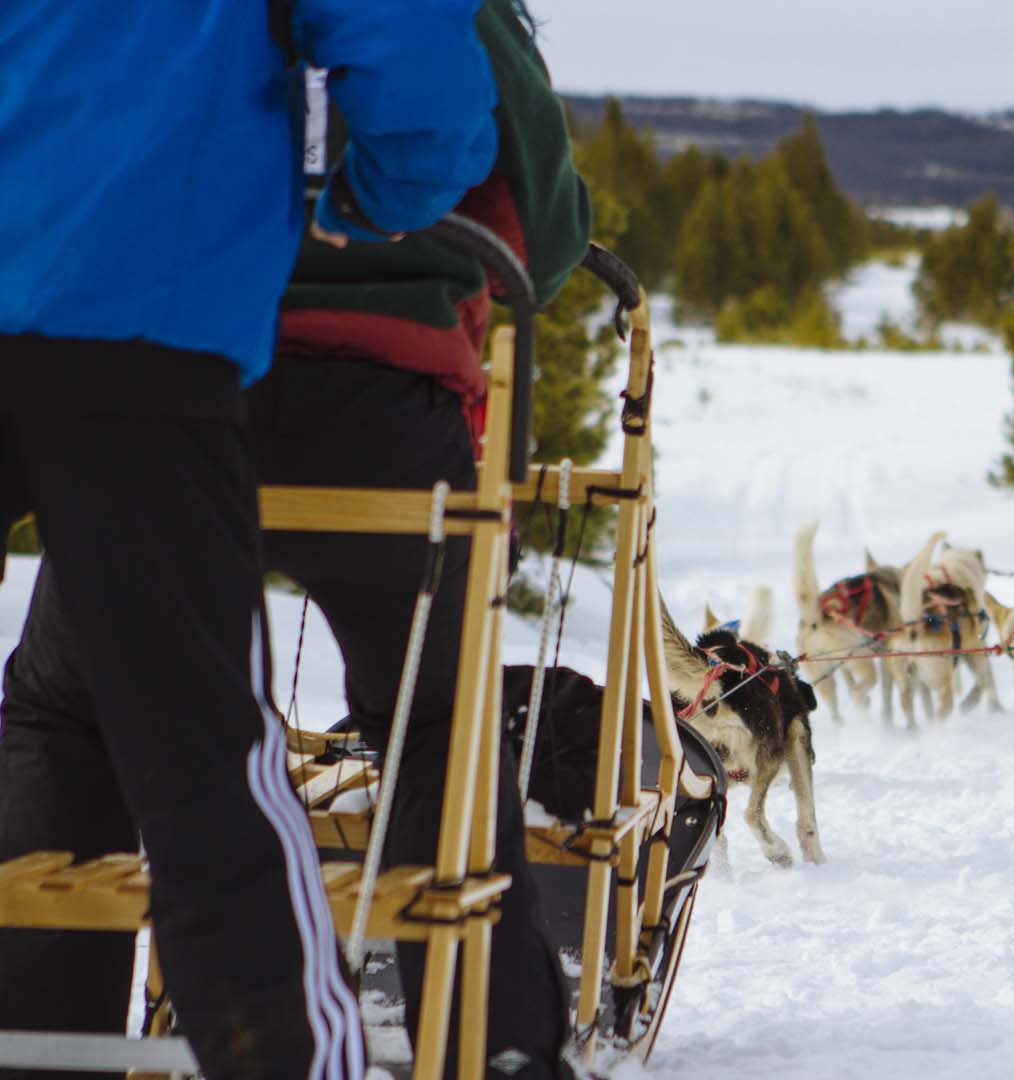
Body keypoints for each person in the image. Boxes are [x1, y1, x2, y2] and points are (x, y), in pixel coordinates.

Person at [2, 2, 591, 1077]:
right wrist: (378, 206)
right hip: (330, 395)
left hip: (106, 333)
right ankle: (491, 1039)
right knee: (436, 719)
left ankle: (48, 1040)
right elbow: (537, 243)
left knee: (69, 704)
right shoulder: (475, 22)